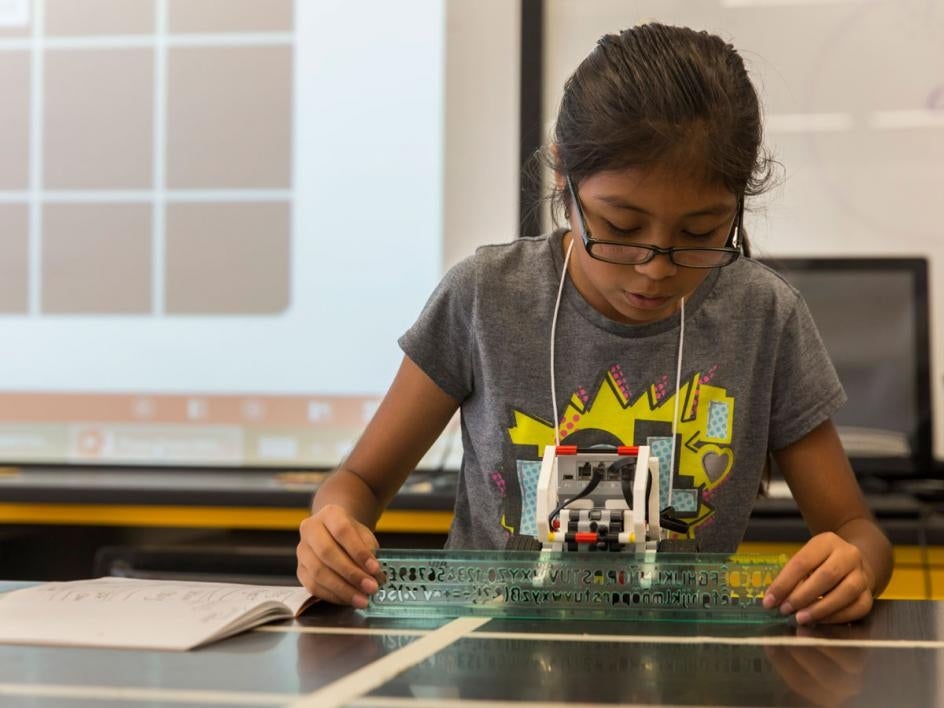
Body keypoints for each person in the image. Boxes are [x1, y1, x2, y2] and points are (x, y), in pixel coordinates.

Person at [296, 22, 892, 625]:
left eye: (700, 233)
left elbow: (855, 530)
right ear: (563, 176)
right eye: (622, 226)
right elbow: (359, 483)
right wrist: (333, 528)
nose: (655, 267)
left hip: (683, 668)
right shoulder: (487, 297)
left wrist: (855, 564)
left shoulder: (763, 317)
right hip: (484, 655)